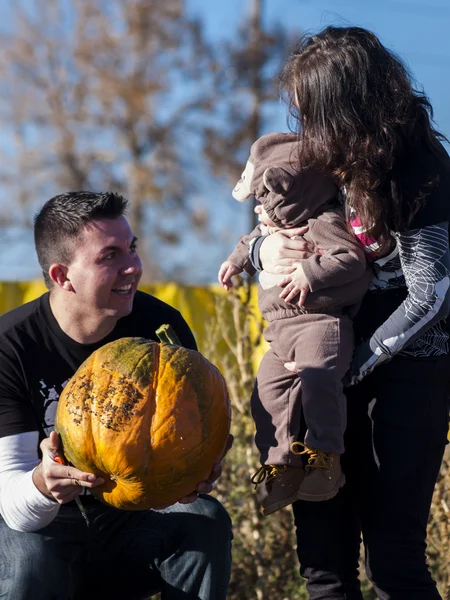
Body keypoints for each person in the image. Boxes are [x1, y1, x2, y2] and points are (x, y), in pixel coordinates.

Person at [244, 25, 450, 600]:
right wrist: (263, 249)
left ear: (352, 105)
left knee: (394, 562)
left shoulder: (418, 167)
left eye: (314, 112)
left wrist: (357, 363)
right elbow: (271, 220)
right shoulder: (321, 154)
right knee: (323, 566)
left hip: (405, 369)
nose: (304, 127)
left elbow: (430, 293)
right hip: (317, 354)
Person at [0, 191, 233, 600]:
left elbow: (190, 434)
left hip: (131, 519)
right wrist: (43, 483)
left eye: (132, 249)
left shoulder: (162, 327)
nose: (133, 267)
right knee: (28, 559)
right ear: (61, 276)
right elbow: (15, 507)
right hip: (42, 529)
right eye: (110, 256)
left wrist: (191, 475)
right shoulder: (10, 347)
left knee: (204, 519)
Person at [218, 132, 372, 515]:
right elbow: (248, 240)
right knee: (266, 392)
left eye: (263, 202)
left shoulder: (322, 222)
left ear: (292, 194)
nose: (258, 211)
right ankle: (280, 464)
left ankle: (325, 458)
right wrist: (237, 261)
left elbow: (350, 259)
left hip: (319, 326)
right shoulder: (269, 230)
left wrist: (310, 274)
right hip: (280, 333)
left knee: (319, 382)